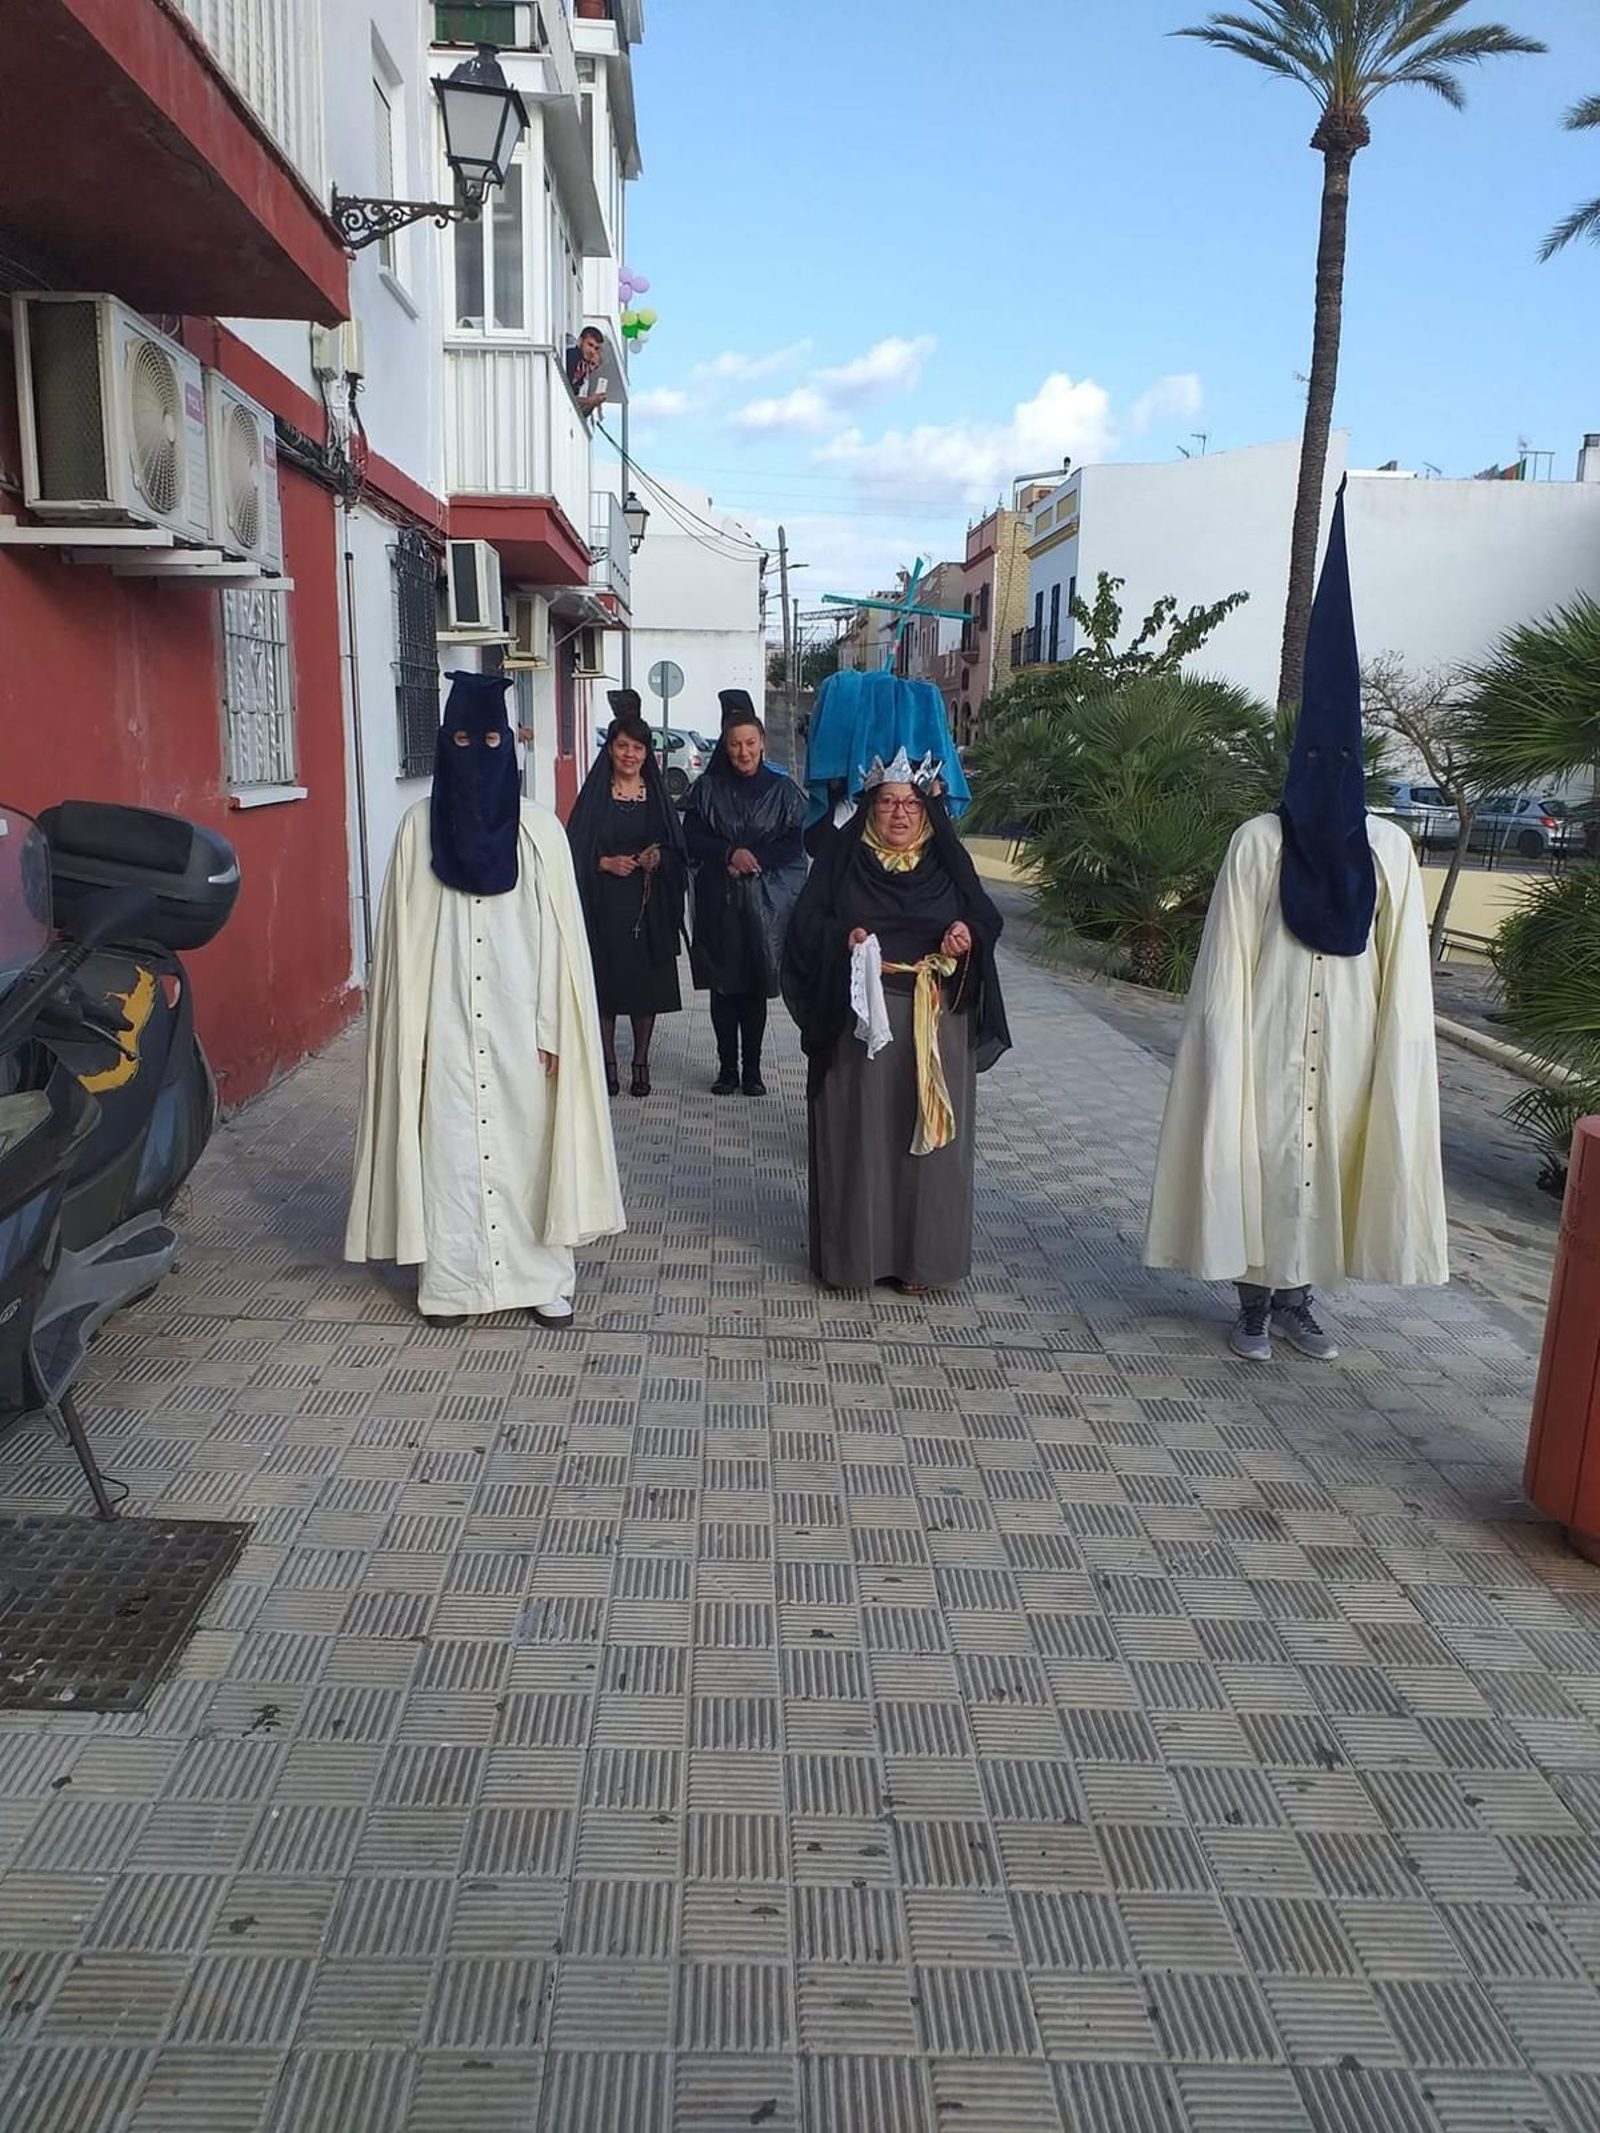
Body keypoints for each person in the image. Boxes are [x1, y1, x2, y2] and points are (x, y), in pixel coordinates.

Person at [1144, 484, 1447, 1361]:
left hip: (1350, 1041)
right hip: (1266, 1030)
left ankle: (1300, 1299)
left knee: (1325, 1164)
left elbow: (1405, 979)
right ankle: (1250, 1297)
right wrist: (1226, 1048)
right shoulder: (1258, 844)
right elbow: (1223, 970)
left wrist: (1394, 1060)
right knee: (1264, 1154)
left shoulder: (1389, 853)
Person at [345, 670, 624, 1326]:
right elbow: (402, 944)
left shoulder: (538, 831)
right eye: (463, 738)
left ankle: (543, 1277)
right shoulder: (418, 831)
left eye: (491, 738)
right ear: (444, 744)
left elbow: (562, 943)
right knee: (447, 1149)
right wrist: (408, 1037)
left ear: (512, 746)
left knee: (532, 1145)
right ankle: (451, 1282)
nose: (478, 751)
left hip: (521, 1027)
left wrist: (555, 1028)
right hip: (442, 1027)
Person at [783, 752, 1010, 1292]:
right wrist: (844, 938)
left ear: (927, 813)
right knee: (861, 1136)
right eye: (887, 802)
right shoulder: (843, 859)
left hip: (936, 1018)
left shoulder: (946, 863)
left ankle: (922, 1264)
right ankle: (856, 1260)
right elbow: (804, 926)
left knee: (925, 1143)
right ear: (870, 809)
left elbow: (985, 917)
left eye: (911, 804)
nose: (900, 814)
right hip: (860, 1019)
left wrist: (966, 935)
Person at [566, 690, 686, 1099]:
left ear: (646, 752)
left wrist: (658, 857)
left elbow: (677, 848)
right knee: (607, 984)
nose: (630, 755)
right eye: (622, 746)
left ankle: (640, 1060)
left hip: (648, 906)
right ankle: (608, 1063)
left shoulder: (656, 798)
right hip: (605, 905)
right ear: (611, 749)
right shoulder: (597, 796)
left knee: (644, 985)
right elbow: (575, 847)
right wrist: (604, 863)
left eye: (637, 747)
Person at [682, 704, 806, 1096]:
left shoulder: (782, 789)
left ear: (763, 744)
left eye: (750, 743)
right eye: (735, 744)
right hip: (719, 900)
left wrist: (757, 861)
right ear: (726, 746)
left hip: (764, 903)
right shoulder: (707, 788)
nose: (743, 751)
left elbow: (794, 841)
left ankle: (752, 1070)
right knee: (723, 985)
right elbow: (691, 836)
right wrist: (727, 854)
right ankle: (726, 1069)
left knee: (754, 985)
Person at [566, 326, 607, 420]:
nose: (592, 351)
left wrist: (593, 402)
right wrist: (589, 401)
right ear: (580, 341)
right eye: (590, 345)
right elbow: (565, 394)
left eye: (596, 348)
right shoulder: (572, 356)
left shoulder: (583, 368)